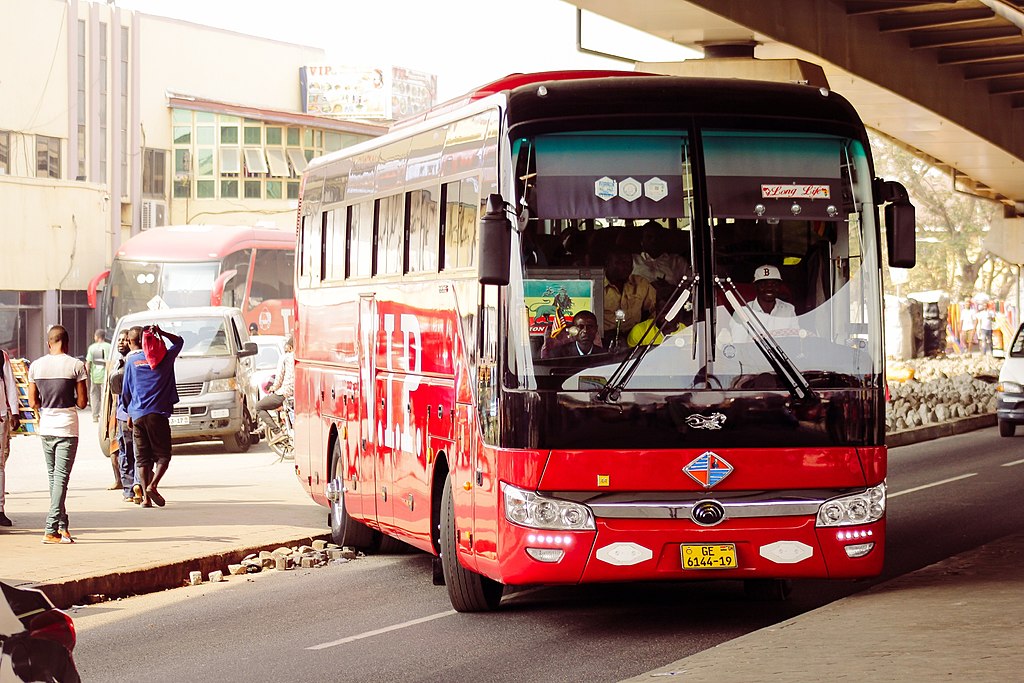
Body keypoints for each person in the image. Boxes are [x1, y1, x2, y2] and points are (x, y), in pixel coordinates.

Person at [28, 325, 88, 544]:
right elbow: (82, 402)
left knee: (55, 479)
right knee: (61, 479)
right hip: (67, 427)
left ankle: (63, 527)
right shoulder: (76, 366)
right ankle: (50, 527)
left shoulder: (35, 366)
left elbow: (33, 402)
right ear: (67, 343)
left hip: (46, 428)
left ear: (49, 343)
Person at [121, 324, 183, 508]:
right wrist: (162, 332)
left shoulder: (132, 362)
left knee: (143, 458)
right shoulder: (164, 357)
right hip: (158, 413)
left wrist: (129, 412)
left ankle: (147, 499)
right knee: (163, 455)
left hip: (138, 415)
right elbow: (179, 342)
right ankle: (152, 486)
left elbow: (126, 391)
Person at [108, 330, 141, 504]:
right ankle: (132, 488)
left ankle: (133, 487)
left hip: (128, 414)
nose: (121, 343)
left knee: (130, 452)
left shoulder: (130, 362)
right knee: (128, 452)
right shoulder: (117, 363)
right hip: (122, 414)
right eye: (119, 340)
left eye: (124, 340)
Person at [728, 264, 799, 343]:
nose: (769, 288)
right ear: (755, 286)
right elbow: (739, 346)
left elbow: (794, 341)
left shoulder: (788, 310)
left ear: (779, 287)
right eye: (763, 284)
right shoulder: (742, 312)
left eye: (774, 284)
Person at [603, 250, 657, 349]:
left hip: (635, 339)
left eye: (628, 263)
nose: (624, 267)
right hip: (604, 341)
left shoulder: (641, 283)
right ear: (607, 264)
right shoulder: (596, 285)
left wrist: (643, 330)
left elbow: (655, 309)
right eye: (619, 262)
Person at [631, 222, 690, 307]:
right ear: (642, 242)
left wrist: (674, 290)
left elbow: (691, 288)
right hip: (638, 311)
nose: (654, 240)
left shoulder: (677, 261)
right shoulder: (632, 261)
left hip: (672, 309)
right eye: (649, 237)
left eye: (658, 237)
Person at [257, 335, 294, 437]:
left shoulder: (285, 358)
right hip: (298, 394)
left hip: (286, 393)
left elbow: (279, 379)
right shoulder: (302, 358)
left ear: (290, 347)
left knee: (259, 406)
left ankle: (277, 432)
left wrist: (273, 388)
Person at [0, 348, 20, 527]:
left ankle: (0, 510)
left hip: (0, 416)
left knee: (0, 465)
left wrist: (14, 412)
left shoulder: (1, 355)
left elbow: (10, 384)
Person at [85, 329, 111, 423]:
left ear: (97, 336)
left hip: (95, 376)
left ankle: (95, 416)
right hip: (106, 375)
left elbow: (88, 362)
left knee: (94, 395)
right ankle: (104, 415)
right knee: (105, 395)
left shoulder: (92, 348)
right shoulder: (109, 347)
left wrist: (86, 373)